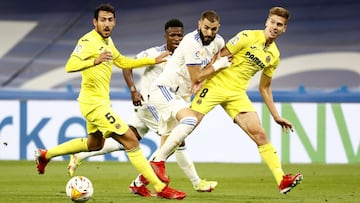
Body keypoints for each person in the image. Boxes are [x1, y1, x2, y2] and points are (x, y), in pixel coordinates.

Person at [34, 3, 186, 200]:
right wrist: (94, 61)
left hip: (99, 103)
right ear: (95, 22)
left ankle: (45, 155)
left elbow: (123, 62)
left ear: (114, 22)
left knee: (94, 144)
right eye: (102, 20)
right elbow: (70, 66)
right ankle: (159, 187)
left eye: (110, 20)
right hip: (93, 105)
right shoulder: (87, 40)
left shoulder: (108, 41)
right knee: (131, 141)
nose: (106, 24)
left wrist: (152, 60)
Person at [154, 7, 304, 194]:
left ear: (284, 29)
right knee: (187, 126)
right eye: (273, 22)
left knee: (260, 135)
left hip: (237, 94)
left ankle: (281, 180)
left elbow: (264, 87)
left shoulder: (274, 56)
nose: (275, 26)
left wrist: (276, 115)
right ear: (267, 22)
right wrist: (200, 79)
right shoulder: (247, 36)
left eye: (279, 25)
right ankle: (151, 168)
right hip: (215, 85)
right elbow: (219, 56)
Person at [66, 19, 218, 196]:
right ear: (166, 36)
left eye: (179, 35)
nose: (177, 38)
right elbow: (126, 66)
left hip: (160, 106)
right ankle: (196, 182)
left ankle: (81, 156)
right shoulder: (155, 53)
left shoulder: (186, 56)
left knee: (127, 141)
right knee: (174, 142)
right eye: (173, 35)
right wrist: (133, 90)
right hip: (149, 104)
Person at [146, 10, 230, 184]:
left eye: (213, 29)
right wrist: (218, 67)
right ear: (199, 24)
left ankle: (140, 183)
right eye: (206, 28)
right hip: (164, 89)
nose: (209, 33)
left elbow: (208, 66)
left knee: (172, 142)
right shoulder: (191, 43)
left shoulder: (219, 41)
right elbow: (197, 76)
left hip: (181, 96)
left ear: (218, 28)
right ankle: (157, 161)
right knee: (190, 121)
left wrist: (205, 75)